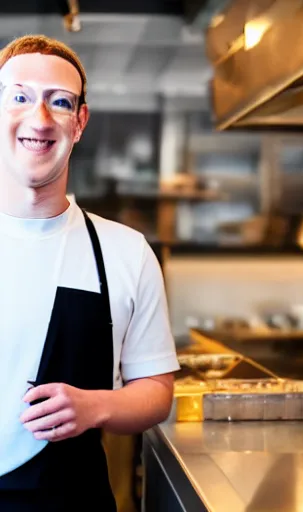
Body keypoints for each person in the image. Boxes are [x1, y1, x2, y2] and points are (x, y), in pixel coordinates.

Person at [0, 34, 180, 511]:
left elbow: (156, 392)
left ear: (78, 123)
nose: (39, 118)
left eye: (59, 103)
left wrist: (94, 406)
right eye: (19, 97)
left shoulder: (125, 252)